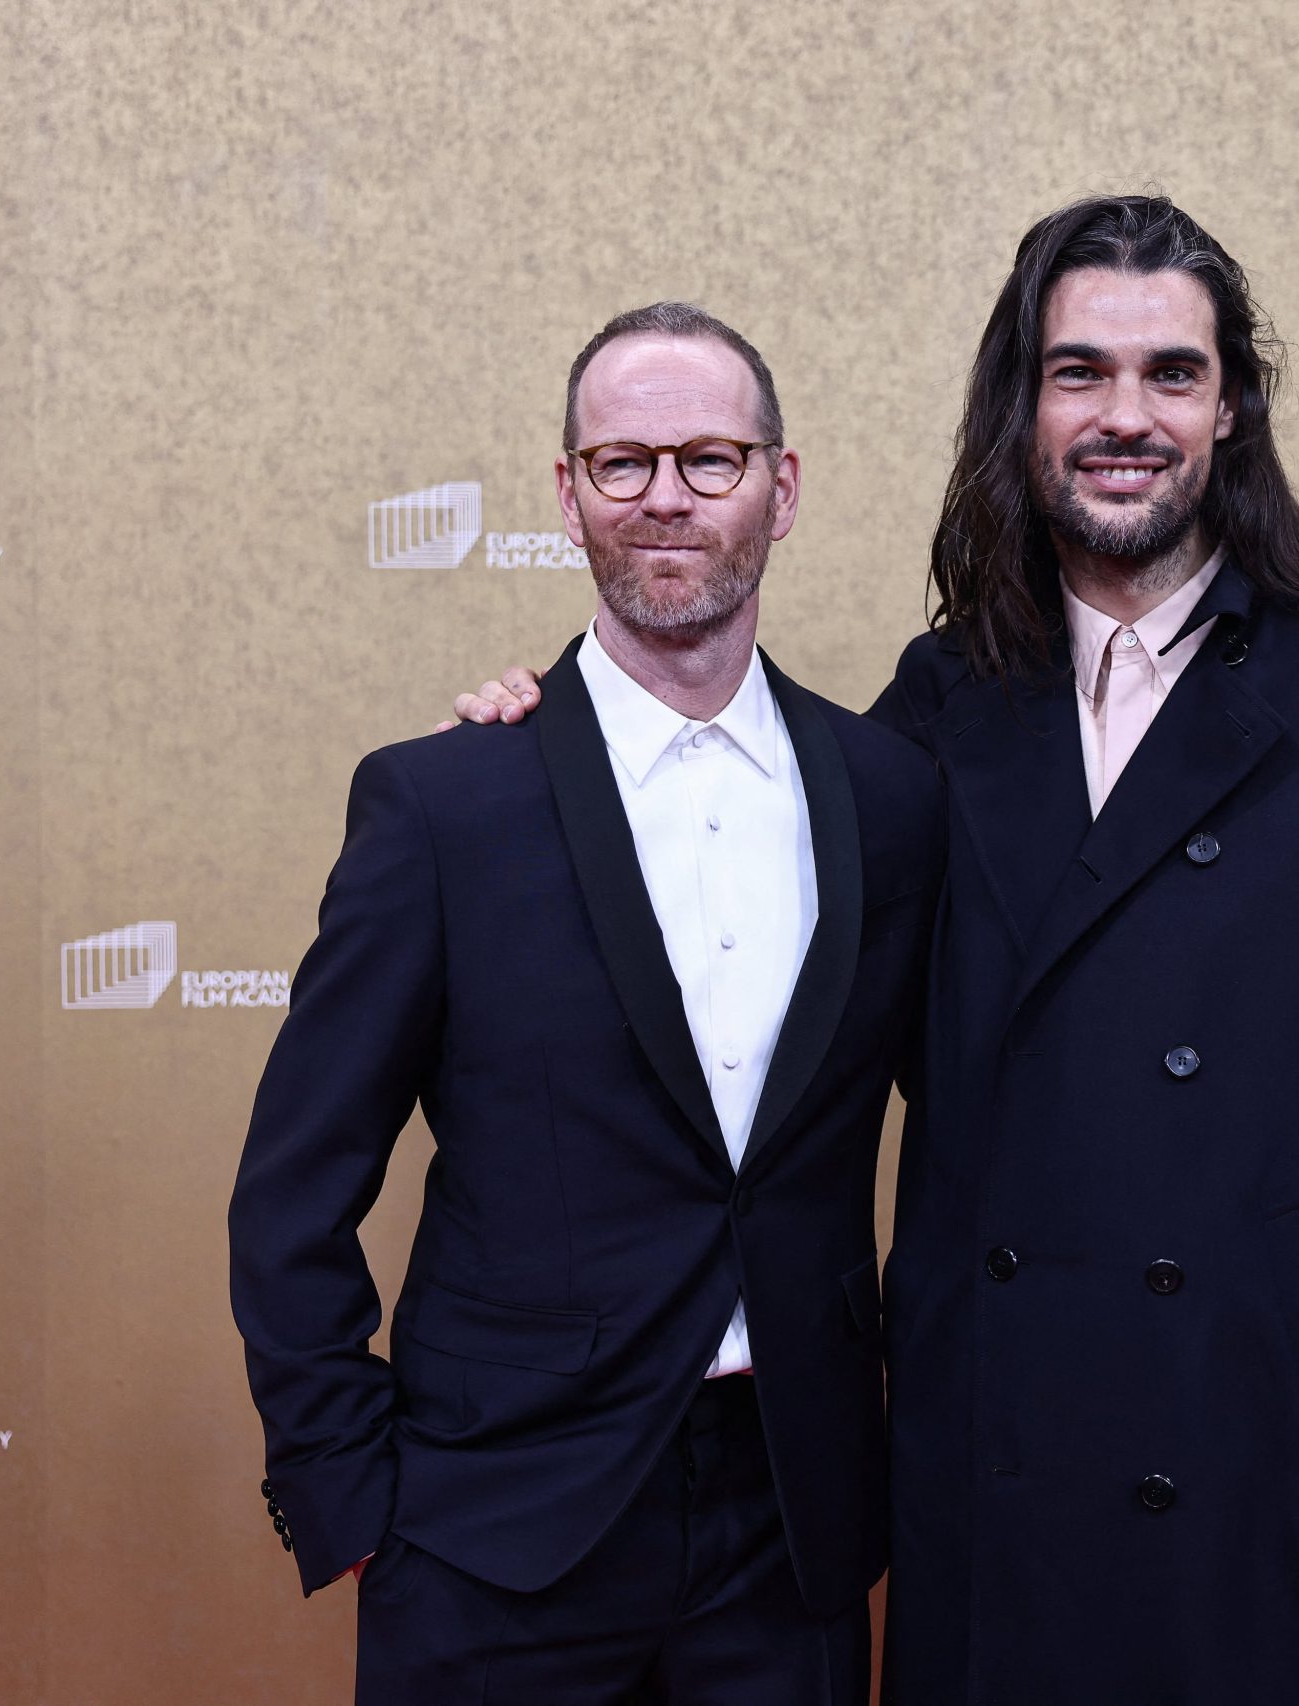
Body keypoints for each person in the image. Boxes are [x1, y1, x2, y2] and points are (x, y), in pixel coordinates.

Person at [453, 196, 1299, 1704]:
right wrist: (546, 758)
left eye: (1171, 373)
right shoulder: (938, 707)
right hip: (1013, 1482)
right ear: (1021, 403)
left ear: (1233, 403)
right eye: (1080, 373)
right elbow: (738, 946)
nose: (1127, 416)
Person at [230, 301, 942, 1705]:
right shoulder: (445, 802)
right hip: (495, 1528)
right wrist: (352, 1496)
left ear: (780, 489)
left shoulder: (892, 795)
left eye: (710, 459)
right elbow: (291, 1185)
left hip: (790, 1529)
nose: (665, 495)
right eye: (622, 463)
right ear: (567, 496)